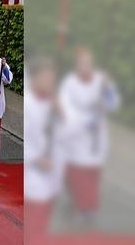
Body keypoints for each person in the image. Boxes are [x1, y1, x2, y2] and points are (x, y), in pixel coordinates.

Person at [55, 47, 120, 224]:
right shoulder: (70, 83)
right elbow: (66, 108)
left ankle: (87, 207)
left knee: (91, 173)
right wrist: (84, 119)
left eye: (88, 63)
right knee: (75, 173)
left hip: (96, 137)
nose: (85, 66)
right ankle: (79, 202)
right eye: (82, 63)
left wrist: (107, 92)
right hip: (76, 135)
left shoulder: (102, 80)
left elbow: (113, 104)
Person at [24, 58, 62, 243]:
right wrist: (38, 159)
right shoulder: (30, 104)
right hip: (36, 171)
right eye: (46, 78)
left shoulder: (53, 102)